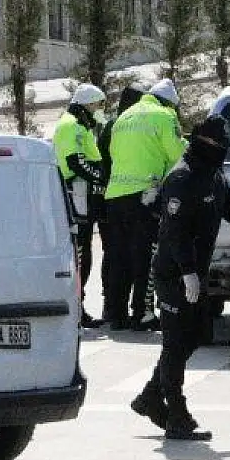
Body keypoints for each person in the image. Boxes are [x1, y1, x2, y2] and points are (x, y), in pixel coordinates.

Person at [130, 115, 230, 441]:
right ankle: (176, 415)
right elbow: (174, 233)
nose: (223, 151)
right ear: (205, 144)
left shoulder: (214, 175)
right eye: (218, 145)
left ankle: (149, 396)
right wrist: (188, 273)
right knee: (175, 345)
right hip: (174, 273)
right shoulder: (181, 178)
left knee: (193, 337)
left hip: (197, 273)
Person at [105, 79, 186, 331]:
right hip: (145, 197)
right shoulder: (165, 115)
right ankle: (143, 313)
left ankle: (116, 315)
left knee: (119, 258)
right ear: (170, 102)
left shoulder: (124, 117)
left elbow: (113, 154)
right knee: (146, 258)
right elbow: (178, 155)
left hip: (115, 195)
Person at [52, 83, 107, 329]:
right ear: (85, 106)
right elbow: (74, 161)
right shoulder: (70, 126)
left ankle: (79, 306)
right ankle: (76, 308)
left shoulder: (78, 125)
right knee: (80, 253)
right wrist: (100, 176)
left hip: (84, 195)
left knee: (85, 251)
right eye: (95, 106)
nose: (97, 111)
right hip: (77, 195)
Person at [97, 85, 144, 325]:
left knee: (114, 256)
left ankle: (112, 310)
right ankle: (129, 311)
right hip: (130, 197)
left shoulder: (111, 125)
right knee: (132, 255)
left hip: (109, 197)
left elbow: (104, 160)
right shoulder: (133, 124)